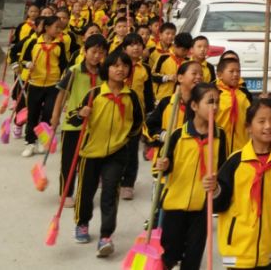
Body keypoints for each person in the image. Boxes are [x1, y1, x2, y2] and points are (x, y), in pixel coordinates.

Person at [215, 99, 271, 269]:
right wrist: (214, 190)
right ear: (249, 127)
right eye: (261, 121)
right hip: (237, 248)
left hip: (267, 247)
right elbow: (218, 204)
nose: (268, 126)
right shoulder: (236, 161)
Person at [71, 50, 145, 256]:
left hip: (117, 152)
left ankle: (105, 236)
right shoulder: (94, 94)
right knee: (86, 192)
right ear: (107, 69)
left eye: (124, 66)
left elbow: (138, 122)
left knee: (110, 193)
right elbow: (72, 118)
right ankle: (82, 222)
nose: (120, 69)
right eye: (115, 65)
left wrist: (125, 138)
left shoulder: (131, 96)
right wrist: (80, 113)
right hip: (90, 152)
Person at [155, 82, 228, 270]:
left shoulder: (220, 136)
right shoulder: (178, 135)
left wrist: (217, 184)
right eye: (210, 102)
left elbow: (222, 168)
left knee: (193, 257)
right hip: (175, 204)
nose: (215, 107)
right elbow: (162, 166)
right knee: (169, 254)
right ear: (194, 106)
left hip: (203, 206)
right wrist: (164, 164)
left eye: (217, 102)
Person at [52, 34, 107, 197]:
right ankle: (66, 193)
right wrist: (55, 117)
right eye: (94, 52)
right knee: (69, 162)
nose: (97, 56)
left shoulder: (104, 73)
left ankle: (85, 192)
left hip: (95, 125)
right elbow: (61, 94)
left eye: (101, 52)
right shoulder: (73, 71)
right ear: (84, 51)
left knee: (89, 162)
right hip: (72, 123)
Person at [19, 15, 70, 157]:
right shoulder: (34, 43)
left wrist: (64, 78)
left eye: (60, 28)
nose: (59, 30)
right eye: (56, 27)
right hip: (35, 84)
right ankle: (30, 142)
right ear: (47, 28)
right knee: (33, 115)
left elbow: (63, 65)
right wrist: (28, 64)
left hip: (53, 85)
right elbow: (23, 60)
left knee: (48, 113)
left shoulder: (59, 45)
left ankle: (43, 139)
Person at [117, 33, 155, 200]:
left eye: (139, 44)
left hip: (135, 114)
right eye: (131, 44)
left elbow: (148, 92)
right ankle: (111, 177)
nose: (136, 47)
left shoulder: (145, 68)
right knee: (115, 147)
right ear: (124, 48)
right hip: (115, 111)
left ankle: (128, 183)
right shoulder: (117, 65)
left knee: (132, 149)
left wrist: (149, 112)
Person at [145, 61, 204, 151]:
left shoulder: (203, 105)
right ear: (180, 78)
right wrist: (164, 135)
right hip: (166, 157)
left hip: (191, 156)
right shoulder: (166, 103)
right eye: (194, 73)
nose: (199, 77)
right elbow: (150, 127)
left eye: (201, 74)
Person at [216, 57, 252, 152]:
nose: (236, 74)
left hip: (241, 146)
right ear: (220, 75)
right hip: (219, 145)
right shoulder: (215, 94)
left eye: (238, 71)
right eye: (231, 71)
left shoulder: (243, 95)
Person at [154, 32, 194, 100]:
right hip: (161, 97)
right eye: (183, 50)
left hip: (180, 98)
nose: (186, 53)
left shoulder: (189, 62)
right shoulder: (163, 58)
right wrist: (167, 77)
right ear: (175, 46)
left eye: (188, 50)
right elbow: (153, 76)